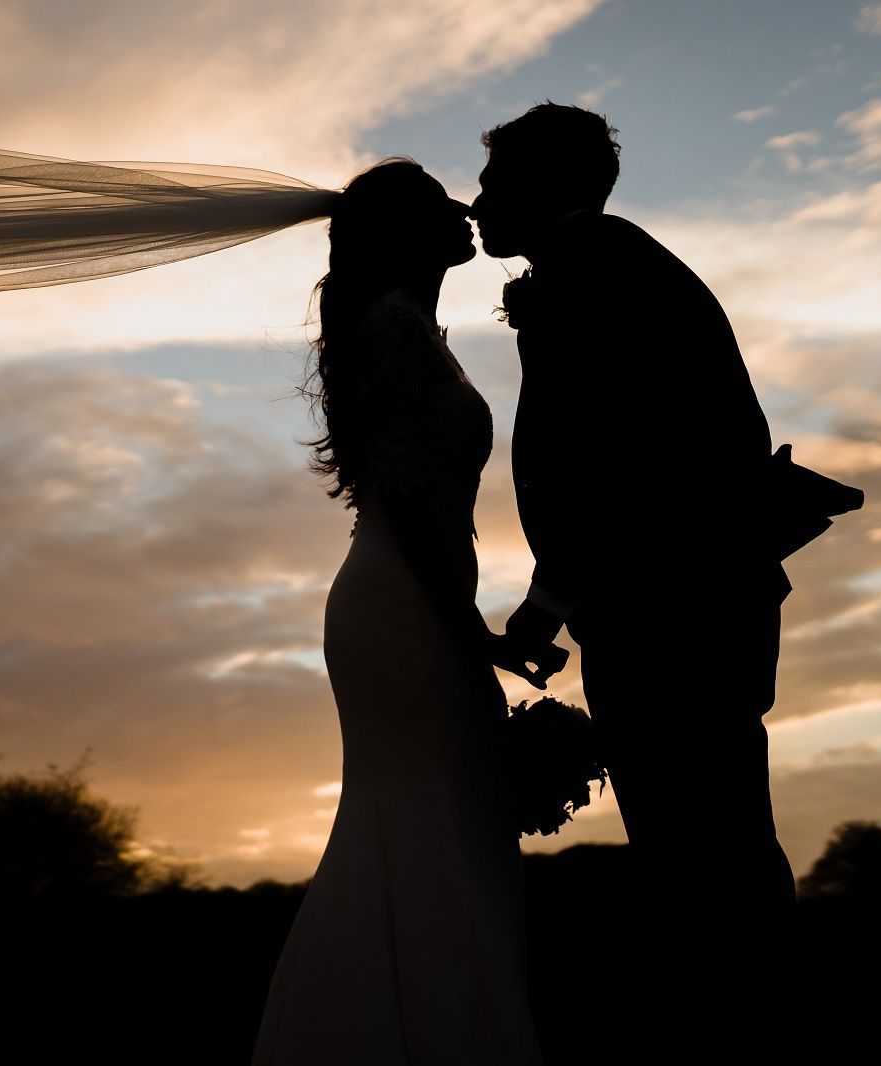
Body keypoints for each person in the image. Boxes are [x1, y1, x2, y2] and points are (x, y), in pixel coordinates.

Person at [469, 103, 800, 996]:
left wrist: (547, 604)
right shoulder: (613, 265)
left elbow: (615, 466)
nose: (475, 203)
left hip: (673, 614)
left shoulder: (595, 271)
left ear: (538, 179)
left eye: (493, 182)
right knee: (712, 848)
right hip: (686, 603)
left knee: (705, 858)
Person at [250, 159, 548, 1065]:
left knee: (434, 818)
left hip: (407, 596)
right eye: (438, 205)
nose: (464, 210)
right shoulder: (392, 332)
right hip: (405, 605)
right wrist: (473, 633)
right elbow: (416, 505)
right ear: (406, 235)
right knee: (425, 819)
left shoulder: (409, 330)